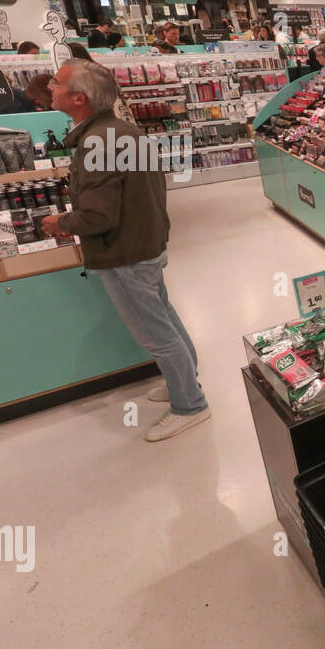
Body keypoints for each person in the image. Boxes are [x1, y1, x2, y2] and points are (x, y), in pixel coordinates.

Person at [39, 60, 210, 441]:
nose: (51, 87)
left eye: (58, 83)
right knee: (164, 316)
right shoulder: (122, 130)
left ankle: (190, 405)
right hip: (146, 242)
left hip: (125, 252)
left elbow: (98, 215)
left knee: (156, 333)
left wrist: (60, 223)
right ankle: (185, 381)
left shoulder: (98, 142)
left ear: (79, 98)